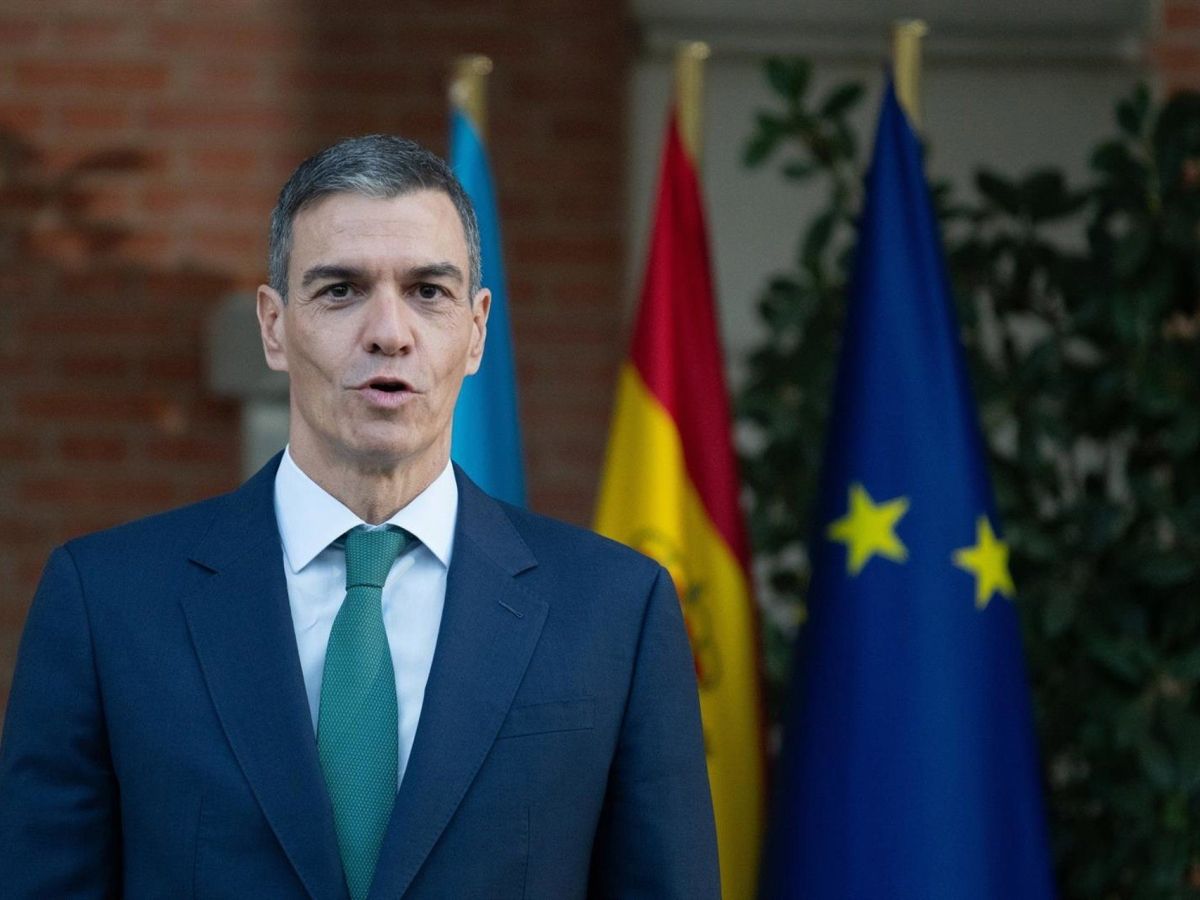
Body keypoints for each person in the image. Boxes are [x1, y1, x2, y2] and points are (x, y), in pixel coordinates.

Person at [0, 135, 719, 898]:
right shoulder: (106, 603)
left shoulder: (615, 609)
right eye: (341, 290)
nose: (389, 332)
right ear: (273, 327)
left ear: (477, 330)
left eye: (428, 291)